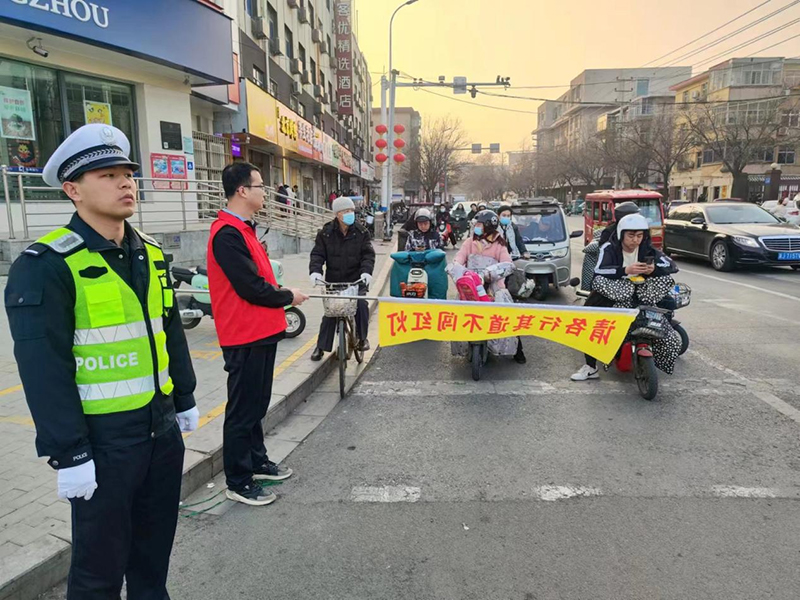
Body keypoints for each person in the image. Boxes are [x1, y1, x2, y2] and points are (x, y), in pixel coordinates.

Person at [4, 124, 197, 599]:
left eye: (126, 173)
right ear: (73, 190)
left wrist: (186, 396)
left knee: (152, 563)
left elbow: (169, 329)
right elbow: (43, 370)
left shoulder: (150, 252)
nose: (125, 183)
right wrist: (69, 452)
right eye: (107, 175)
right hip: (103, 444)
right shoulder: (46, 265)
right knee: (98, 574)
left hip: (160, 431)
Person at [208, 162, 309, 506]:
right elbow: (250, 287)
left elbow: (260, 279)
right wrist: (288, 296)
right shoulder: (227, 234)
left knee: (257, 404)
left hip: (262, 330)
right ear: (242, 191)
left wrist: (281, 292)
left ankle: (256, 461)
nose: (266, 192)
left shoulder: (245, 230)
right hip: (243, 334)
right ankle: (238, 480)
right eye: (261, 186)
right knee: (242, 410)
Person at [571, 214, 681, 382]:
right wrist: (625, 271)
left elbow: (671, 265)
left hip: (642, 297)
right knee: (593, 328)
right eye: (631, 235)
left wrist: (654, 269)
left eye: (639, 235)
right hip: (612, 298)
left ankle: (652, 361)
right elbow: (599, 271)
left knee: (670, 338)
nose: (635, 240)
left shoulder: (647, 249)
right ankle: (591, 367)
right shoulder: (609, 247)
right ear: (621, 234)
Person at [455, 210, 526, 364]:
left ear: (487, 226)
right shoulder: (469, 242)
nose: (476, 227)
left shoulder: (500, 245)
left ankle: (517, 351)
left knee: (507, 316)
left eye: (479, 224)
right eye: (476, 224)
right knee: (458, 312)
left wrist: (489, 274)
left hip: (494, 287)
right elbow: (459, 258)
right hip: (471, 286)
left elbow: (508, 265)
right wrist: (455, 268)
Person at [309, 196, 376, 361]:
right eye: (346, 211)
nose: (350, 214)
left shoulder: (361, 232)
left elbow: (368, 255)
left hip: (356, 281)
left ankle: (362, 338)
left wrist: (366, 272)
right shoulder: (326, 233)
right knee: (331, 311)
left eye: (351, 210)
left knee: (361, 304)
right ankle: (321, 346)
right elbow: (317, 254)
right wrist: (315, 272)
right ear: (337, 214)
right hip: (334, 281)